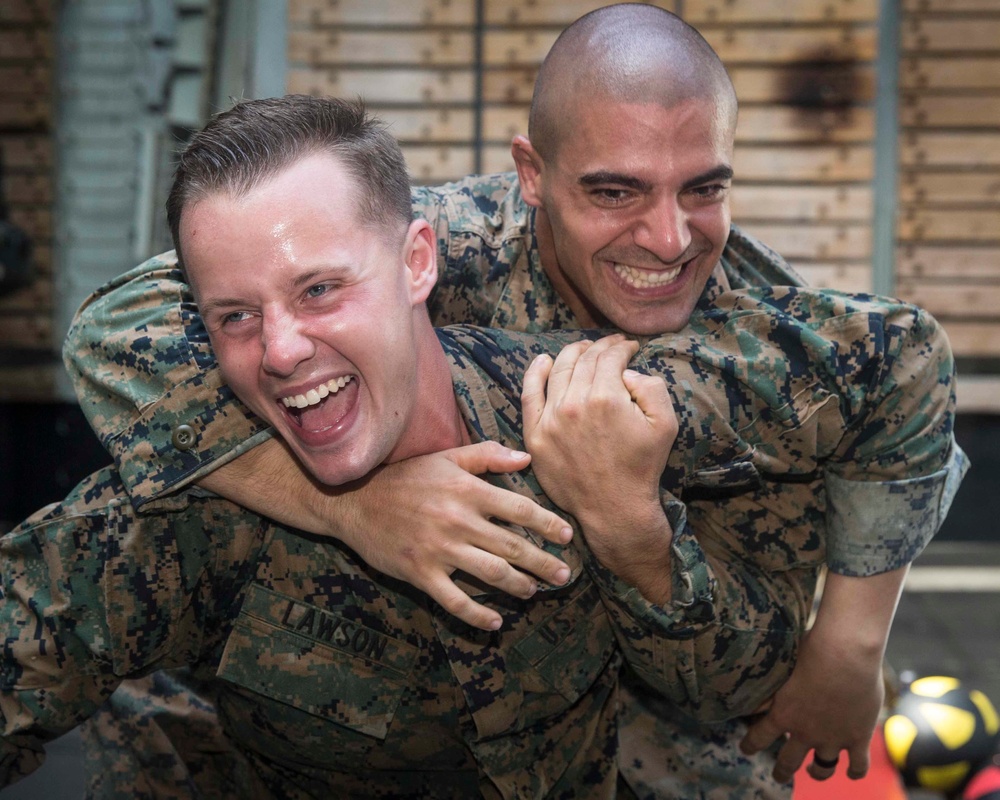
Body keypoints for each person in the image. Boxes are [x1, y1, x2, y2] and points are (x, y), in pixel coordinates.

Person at [63, 6, 967, 796]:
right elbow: (112, 330)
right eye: (613, 191)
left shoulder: (753, 344)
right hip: (375, 690)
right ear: (531, 175)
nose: (668, 238)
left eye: (704, 189)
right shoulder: (447, 245)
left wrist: (846, 648)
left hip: (641, 717)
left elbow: (904, 368)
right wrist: (357, 510)